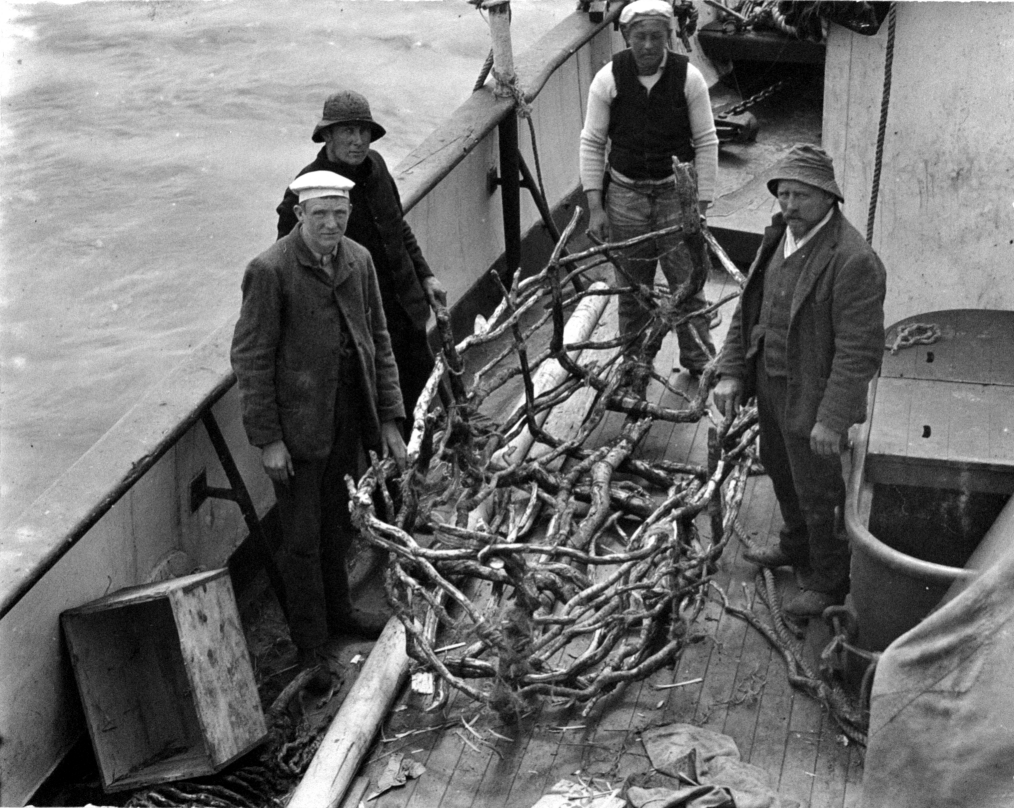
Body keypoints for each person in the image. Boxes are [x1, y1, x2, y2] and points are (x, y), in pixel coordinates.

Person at [232, 171, 407, 685]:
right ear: (299, 216)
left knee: (337, 524)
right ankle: (310, 646)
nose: (332, 224)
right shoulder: (269, 271)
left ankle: (341, 614)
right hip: (298, 430)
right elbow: (251, 357)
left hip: (349, 417)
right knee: (302, 539)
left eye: (340, 213)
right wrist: (269, 440)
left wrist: (391, 419)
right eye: (321, 215)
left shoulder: (359, 260)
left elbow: (379, 339)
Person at [713, 144, 887, 617]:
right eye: (783, 194)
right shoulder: (777, 239)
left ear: (828, 198)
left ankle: (830, 582)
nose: (788, 206)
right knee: (778, 465)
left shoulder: (853, 261)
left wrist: (832, 420)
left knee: (820, 489)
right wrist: (731, 370)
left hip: (813, 393)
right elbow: (749, 310)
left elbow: (859, 353)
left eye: (800, 196)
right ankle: (796, 546)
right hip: (771, 384)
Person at [276, 90, 446, 428]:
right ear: (326, 136)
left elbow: (399, 227)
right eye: (347, 132)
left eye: (364, 131)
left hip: (406, 310)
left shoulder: (378, 166)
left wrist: (425, 276)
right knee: (386, 417)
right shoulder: (305, 192)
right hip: (364, 328)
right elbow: (291, 267)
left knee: (428, 398)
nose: (358, 141)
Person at [579, 0, 719, 378]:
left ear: (669, 36)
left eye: (656, 36)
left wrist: (699, 206)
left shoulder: (689, 79)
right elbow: (592, 143)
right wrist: (596, 206)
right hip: (625, 196)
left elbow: (706, 142)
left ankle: (700, 360)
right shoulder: (607, 79)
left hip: (676, 195)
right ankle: (634, 362)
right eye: (639, 36)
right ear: (626, 36)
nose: (647, 45)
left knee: (687, 282)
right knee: (632, 290)